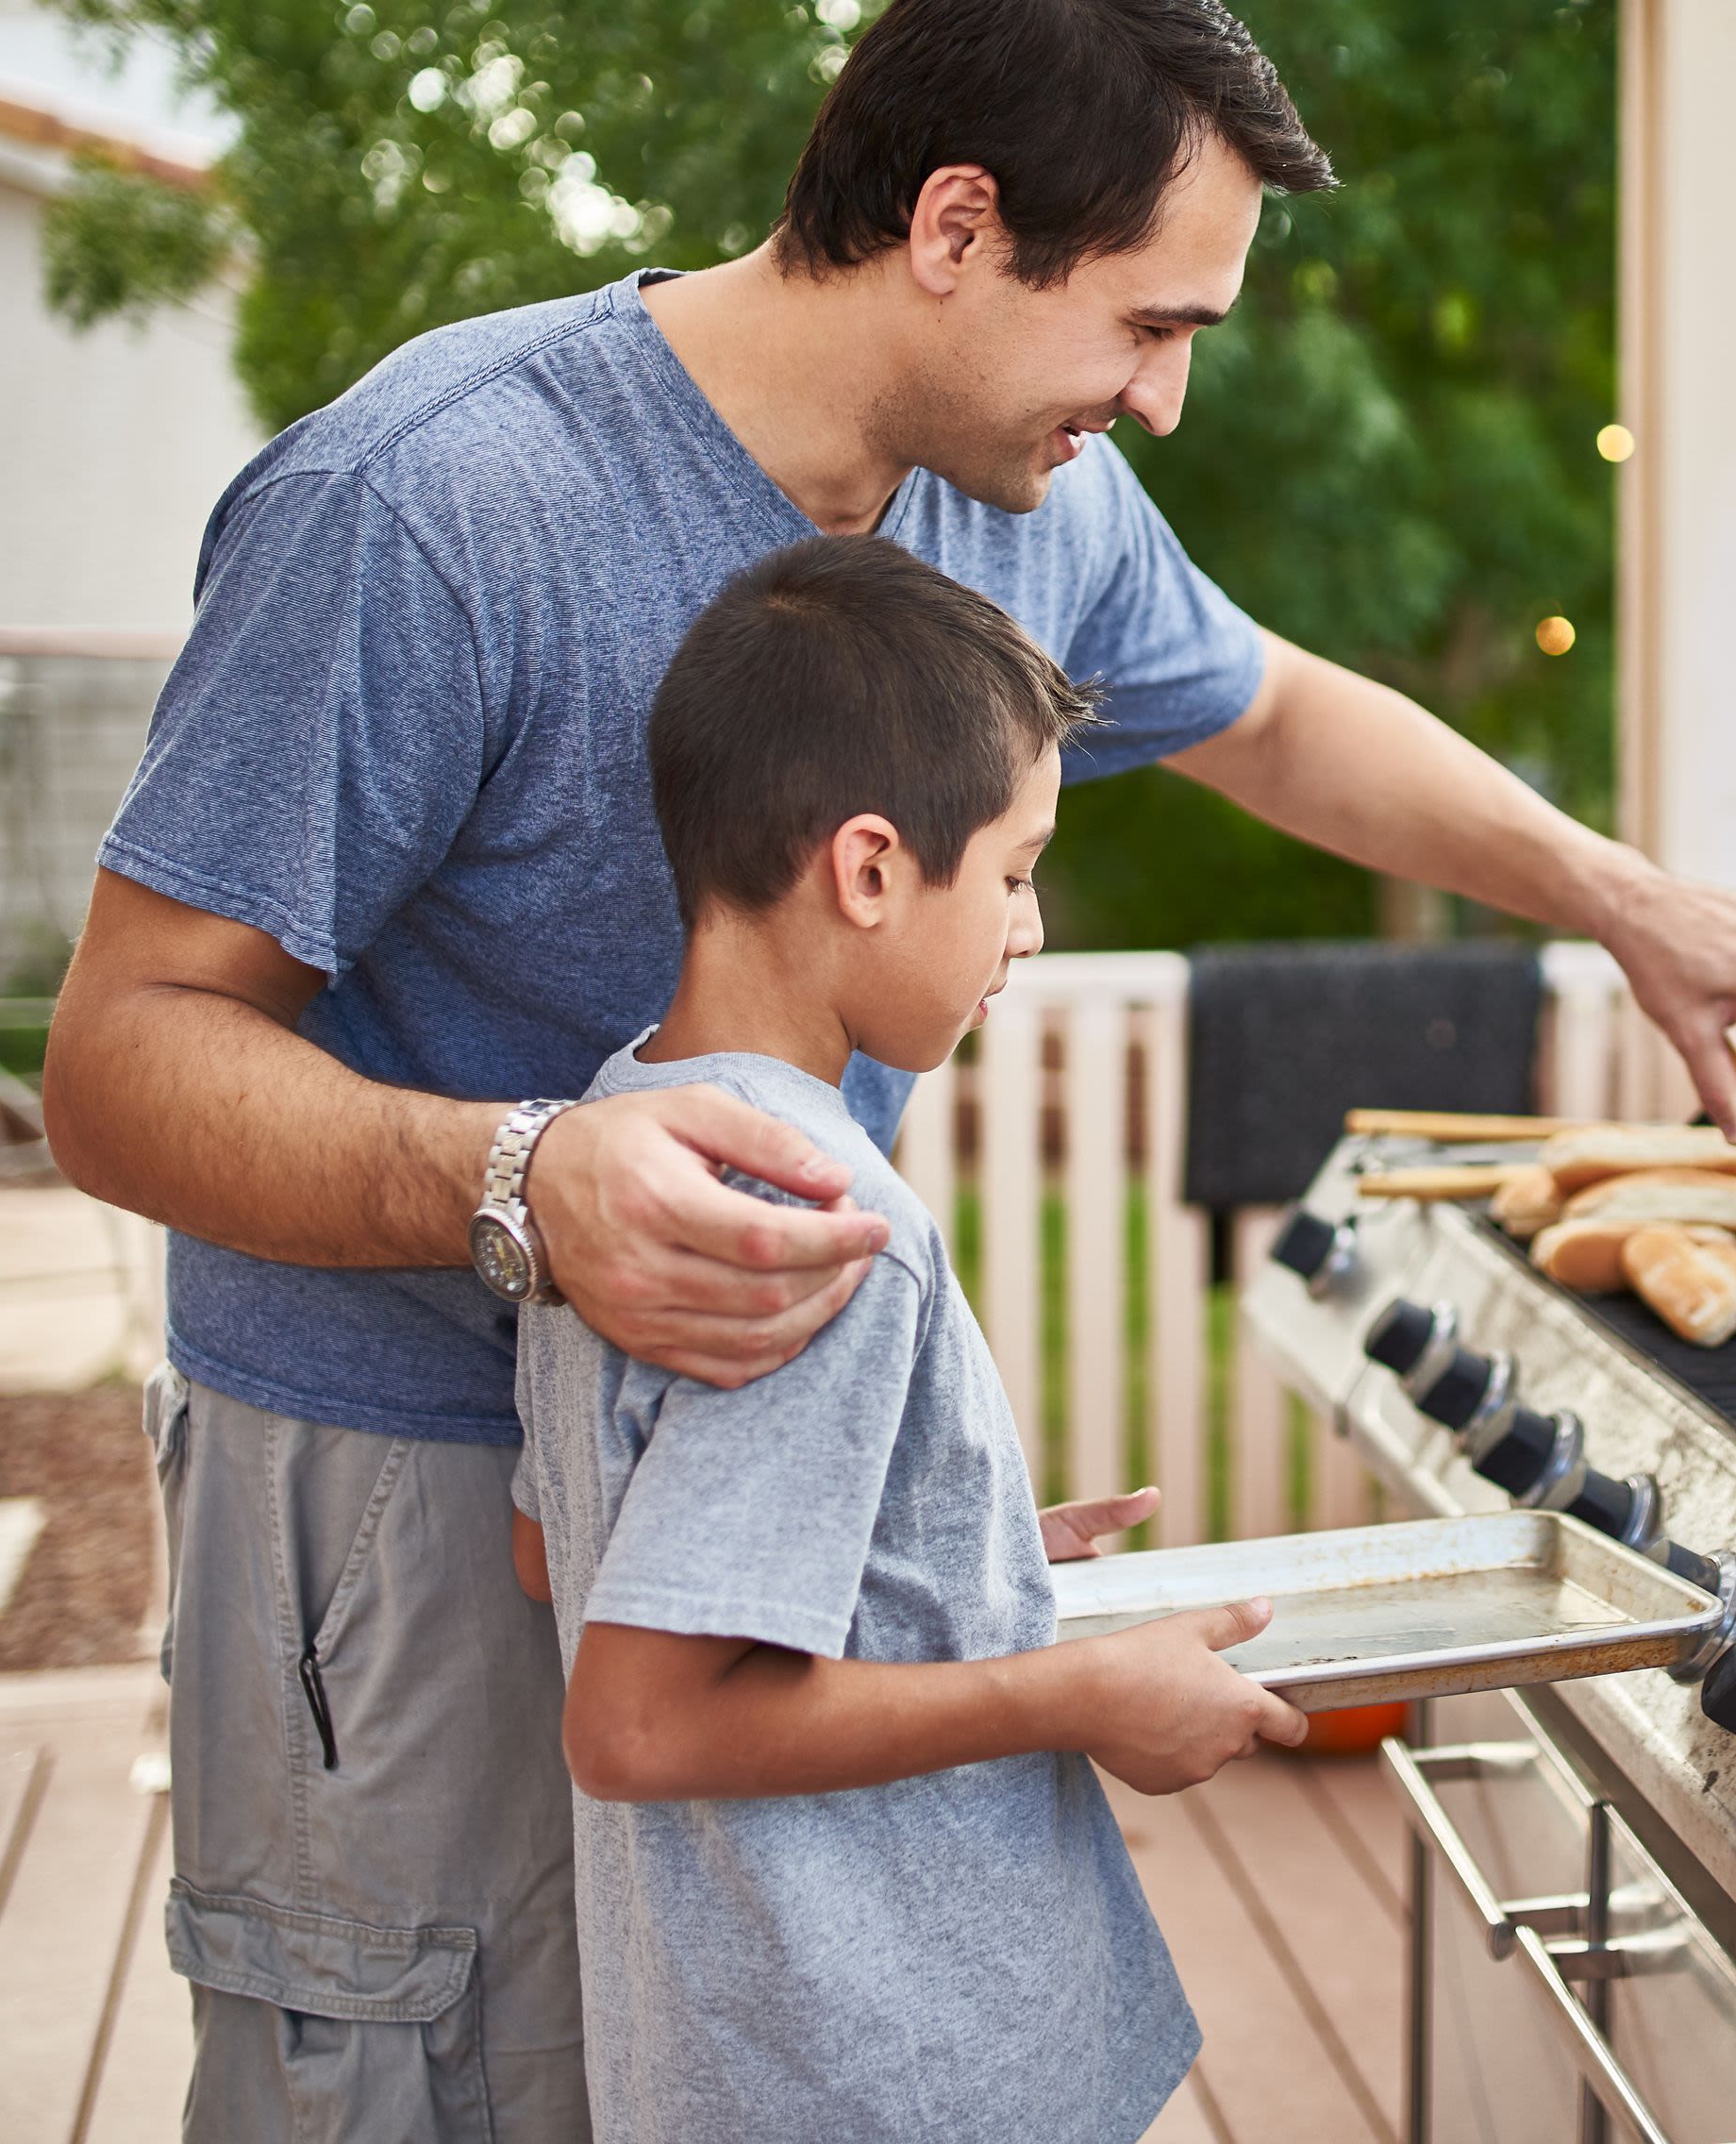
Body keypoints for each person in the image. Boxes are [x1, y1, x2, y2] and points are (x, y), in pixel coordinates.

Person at [45, 0, 1736, 2139]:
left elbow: (1276, 717)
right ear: (957, 224)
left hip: (716, 1506)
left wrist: (1629, 900)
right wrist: (527, 1182)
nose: (1167, 394)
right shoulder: (435, 502)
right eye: (1149, 321)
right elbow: (119, 1058)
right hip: (400, 1497)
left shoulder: (1031, 504)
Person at [512, 531, 1297, 2144]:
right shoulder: (822, 1220)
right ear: (869, 870)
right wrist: (1074, 1690)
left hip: (719, 2060)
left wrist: (952, 1562)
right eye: (1013, 873)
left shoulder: (624, 1145)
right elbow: (640, 1718)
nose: (1029, 930)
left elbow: (567, 1554)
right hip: (885, 2075)